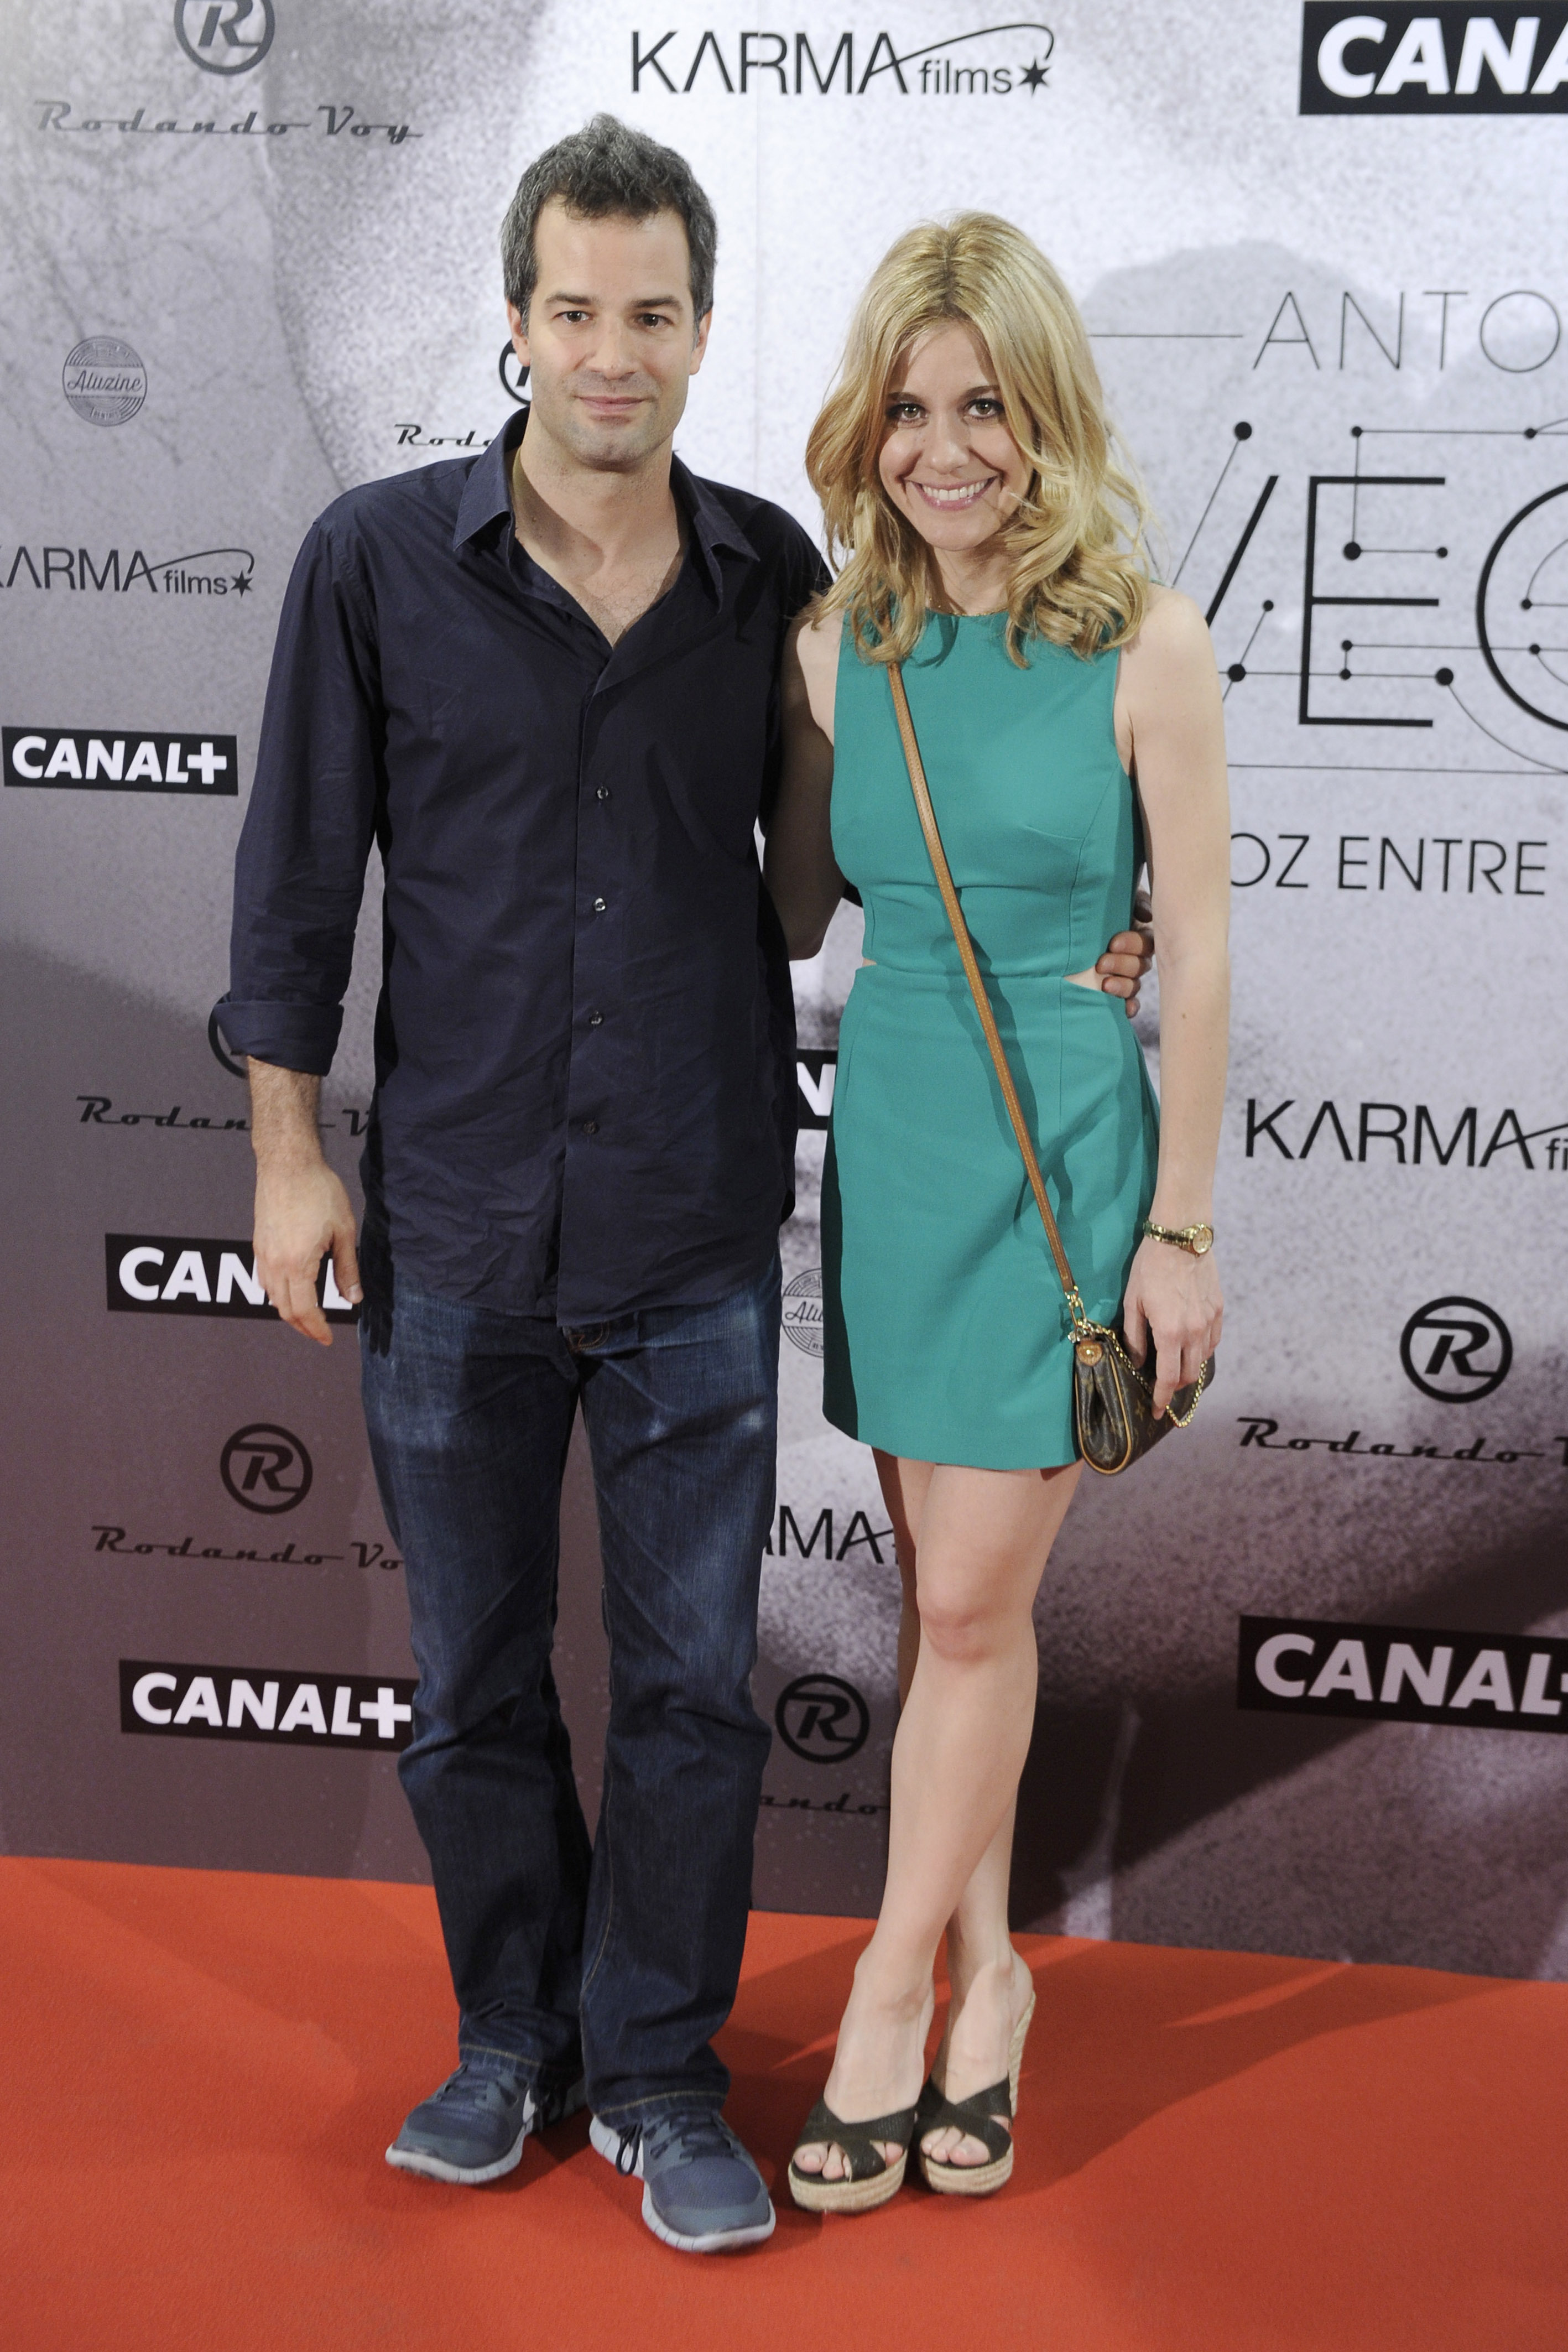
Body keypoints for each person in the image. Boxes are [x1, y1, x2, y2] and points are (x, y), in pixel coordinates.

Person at [217, 122, 1153, 2255]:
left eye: (652, 314)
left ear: (704, 329)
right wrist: (285, 1156)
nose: (611, 353)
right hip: (453, 1225)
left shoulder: (771, 584)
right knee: (470, 1682)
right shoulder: (374, 561)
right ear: (518, 319)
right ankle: (507, 2039)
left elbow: (864, 852)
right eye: (575, 311)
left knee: (691, 1695)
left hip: (693, 1229)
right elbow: (295, 883)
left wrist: (1086, 928)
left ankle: (651, 2068)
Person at [763, 214, 1229, 2211]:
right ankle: (994, 1985)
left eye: (985, 409)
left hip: (1065, 1148)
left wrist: (1178, 1228)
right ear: (864, 425)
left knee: (961, 1604)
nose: (943, 450)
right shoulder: (827, 646)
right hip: (895, 1136)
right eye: (908, 409)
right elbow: (793, 905)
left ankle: (890, 1994)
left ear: (1045, 419)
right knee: (959, 1607)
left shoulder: (1146, 641)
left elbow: (1198, 953)